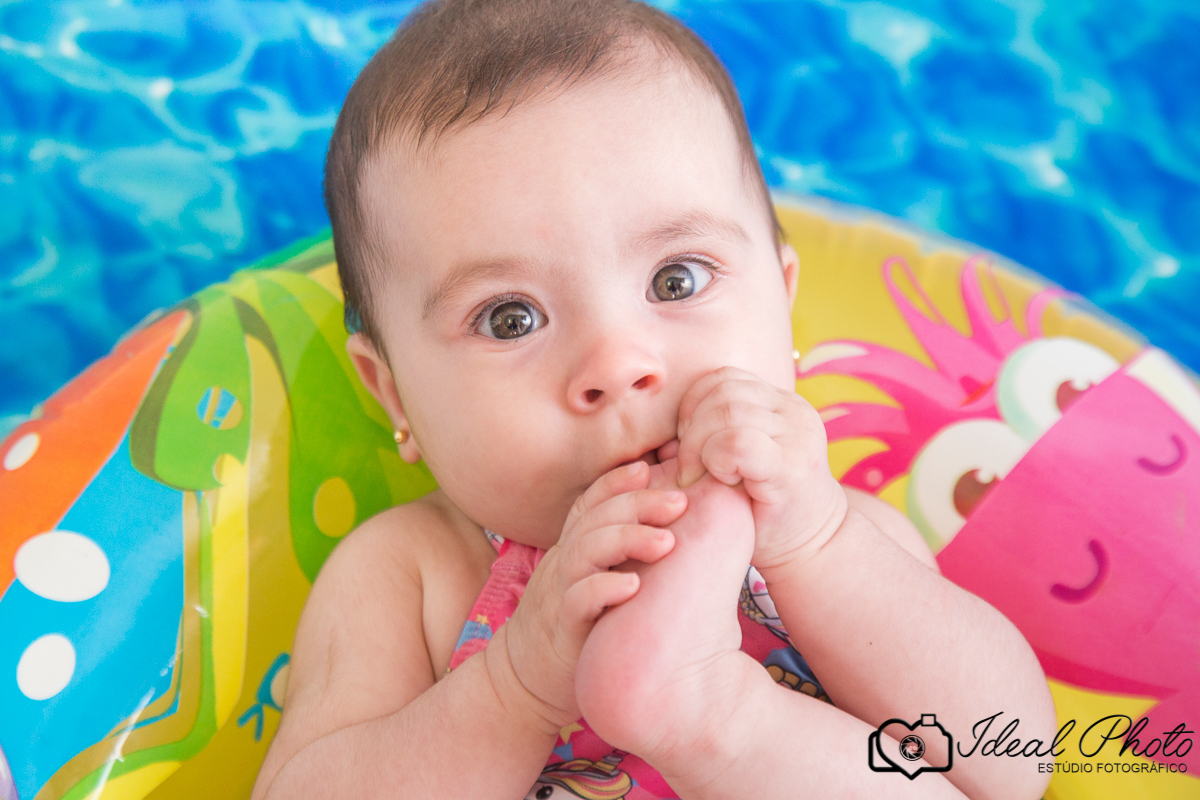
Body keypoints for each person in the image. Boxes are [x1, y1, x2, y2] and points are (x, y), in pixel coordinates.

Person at [251, 1, 1057, 797]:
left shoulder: (831, 536)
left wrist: (815, 541)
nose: (617, 364)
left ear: (780, 304)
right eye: (510, 318)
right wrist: (514, 688)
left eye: (676, 280)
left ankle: (714, 715)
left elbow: (1013, 765)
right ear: (394, 394)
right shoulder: (409, 574)